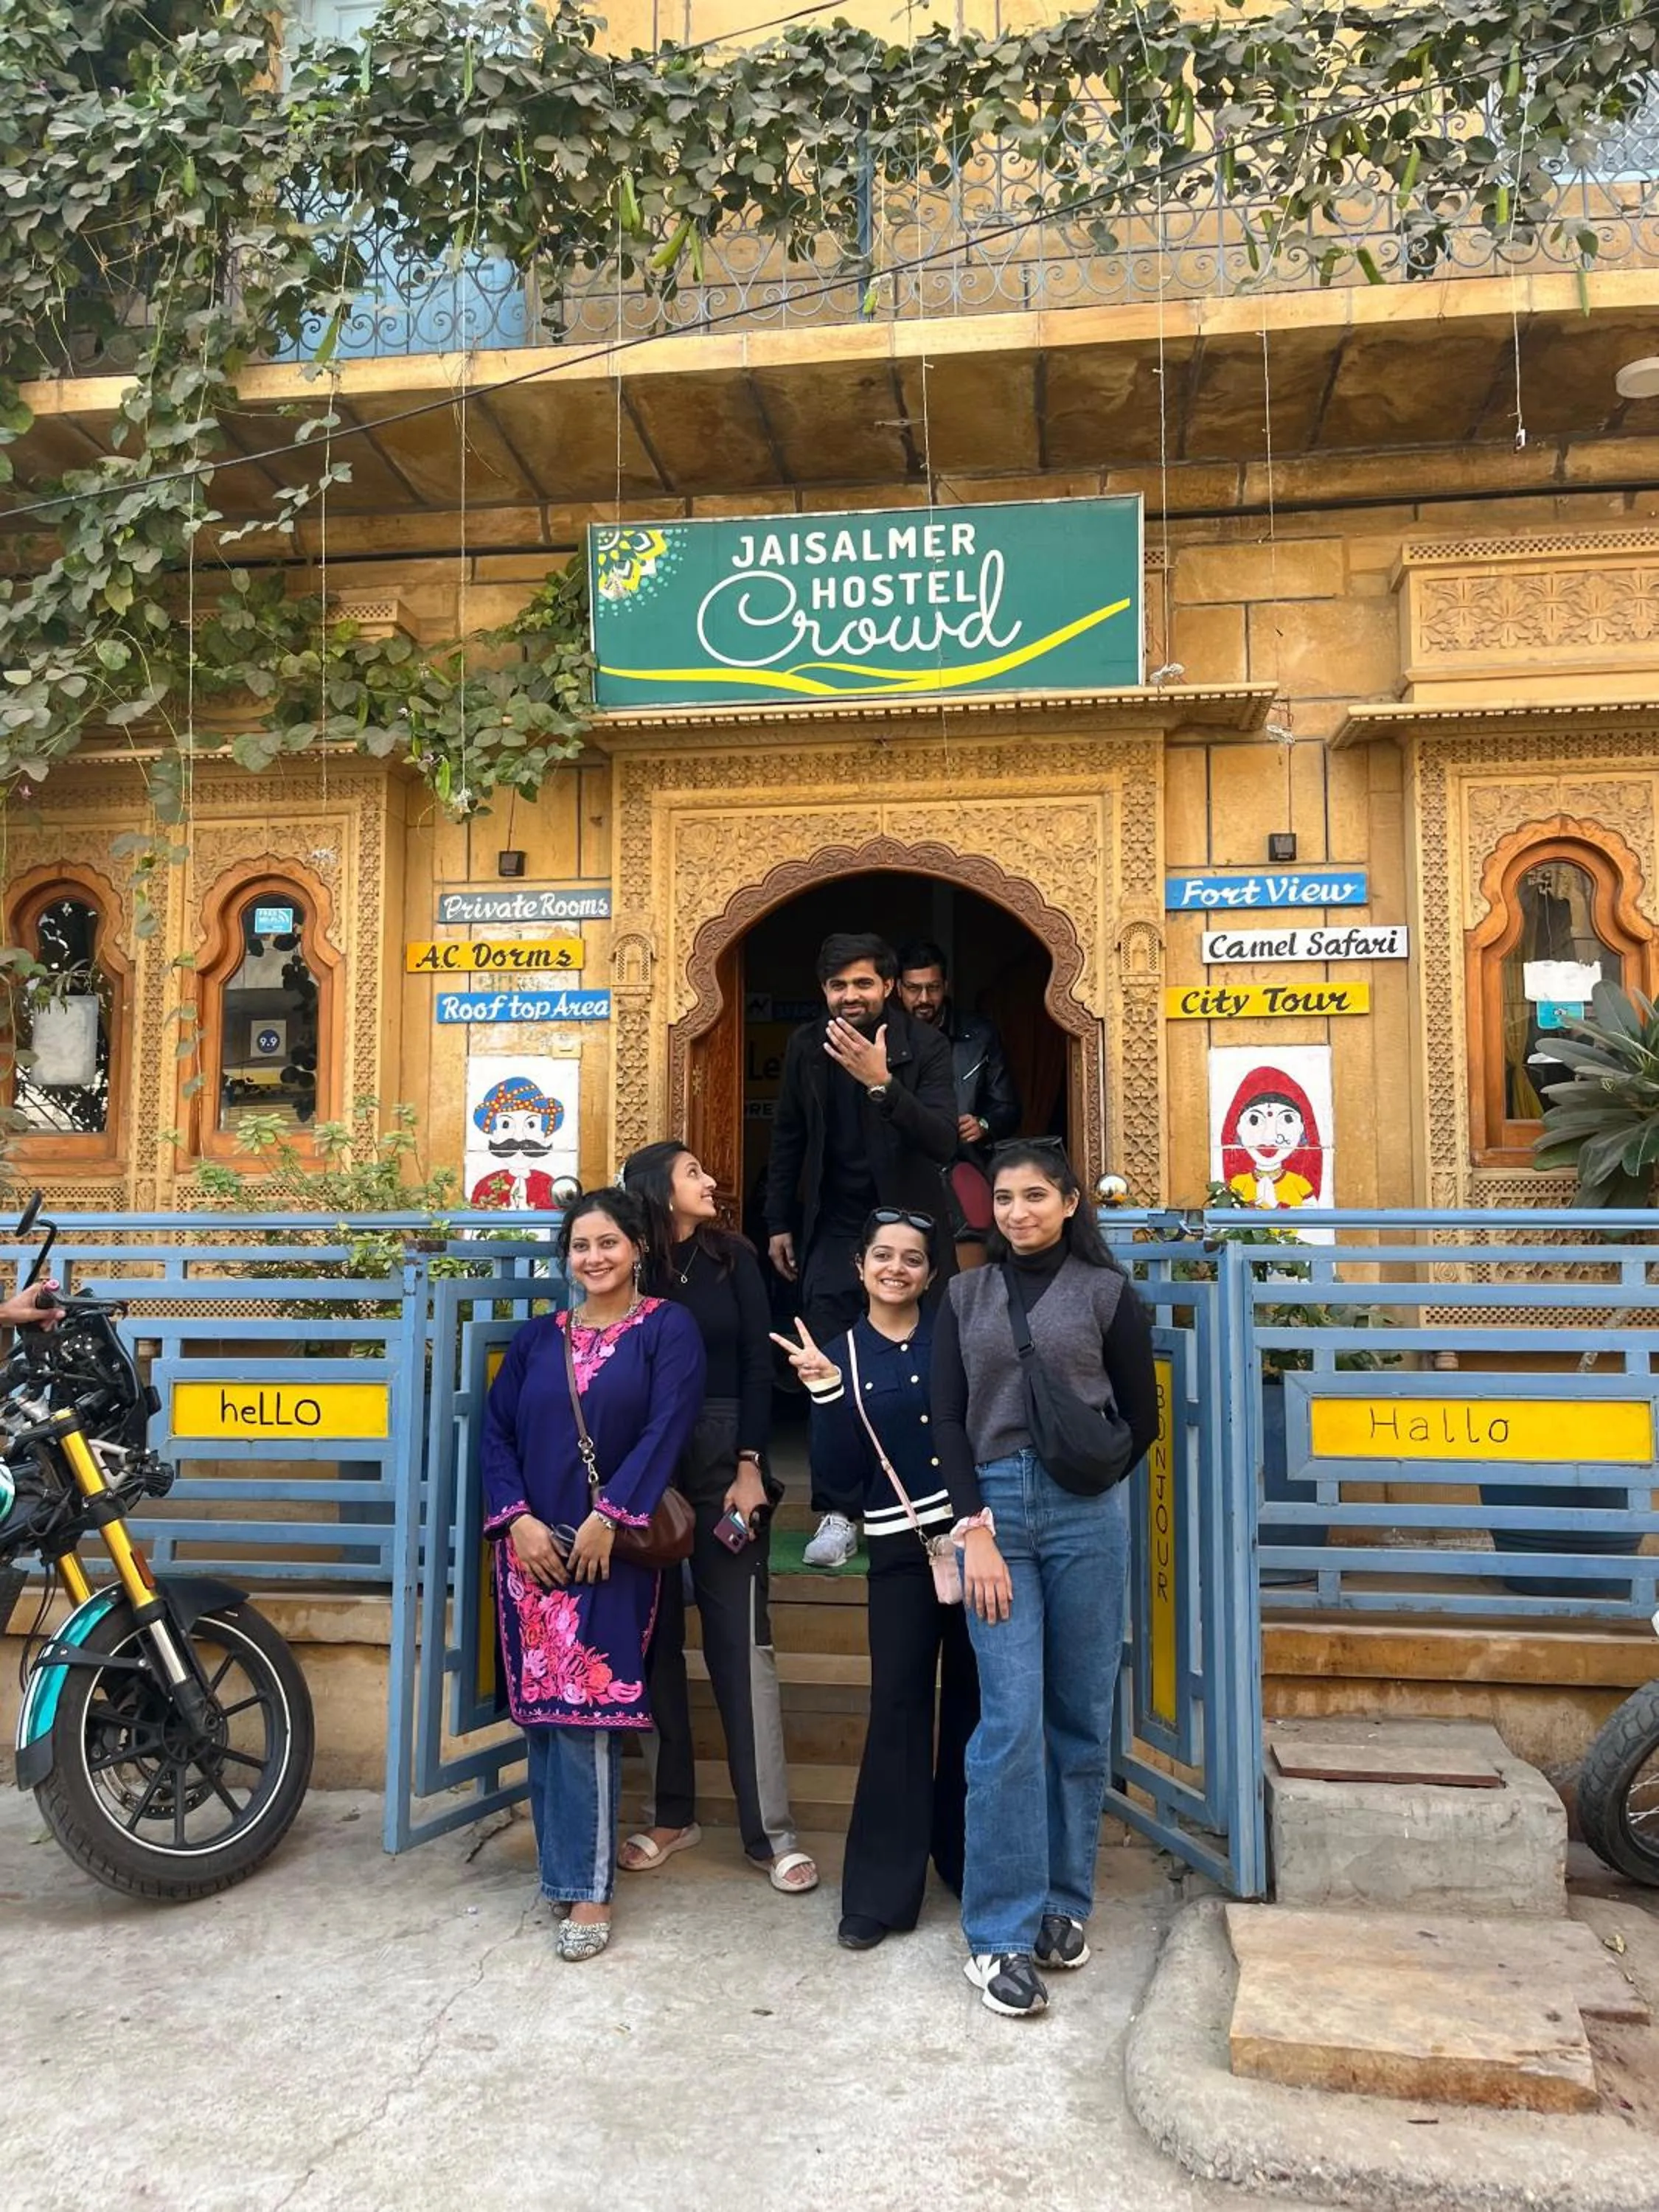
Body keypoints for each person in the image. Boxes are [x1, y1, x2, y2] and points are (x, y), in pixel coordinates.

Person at [933, 1140, 1159, 2019]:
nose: (1019, 1211)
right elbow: (948, 1417)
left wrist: (1090, 1479)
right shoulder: (966, 1294)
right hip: (993, 1517)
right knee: (1010, 1721)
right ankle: (996, 1934)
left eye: (1036, 1195)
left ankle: (1065, 1904)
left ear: (1069, 1202)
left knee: (1077, 1715)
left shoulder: (1107, 1295)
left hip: (1085, 1517)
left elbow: (1141, 1418)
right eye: (1005, 1197)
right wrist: (971, 1527)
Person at [479, 1187, 706, 1962]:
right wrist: (516, 1520)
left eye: (608, 1243)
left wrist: (612, 1515)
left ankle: (591, 1890)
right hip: (534, 1553)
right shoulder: (537, 1340)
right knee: (545, 1721)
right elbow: (496, 1433)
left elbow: (667, 1426)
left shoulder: (666, 1331)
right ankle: (563, 1871)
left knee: (588, 1717)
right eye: (580, 1245)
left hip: (607, 1551)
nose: (594, 1258)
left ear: (638, 1247)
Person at [773, 1207, 978, 1952]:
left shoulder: (956, 1338)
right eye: (883, 1255)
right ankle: (881, 1891)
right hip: (900, 1554)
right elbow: (839, 1479)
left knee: (977, 1706)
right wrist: (825, 1395)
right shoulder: (841, 1355)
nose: (897, 1268)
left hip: (978, 1545)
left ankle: (965, 1861)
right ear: (860, 1268)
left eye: (913, 1258)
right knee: (896, 1709)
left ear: (931, 1272)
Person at [616, 1140, 818, 1896]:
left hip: (724, 1455)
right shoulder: (630, 1264)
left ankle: (771, 1834)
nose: (710, 1180)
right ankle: (672, 1813)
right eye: (693, 1172)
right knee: (654, 1641)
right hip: (646, 1459)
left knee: (742, 1644)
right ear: (659, 1192)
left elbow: (758, 1369)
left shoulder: (733, 1258)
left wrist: (749, 1465)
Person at [765, 931, 958, 1568]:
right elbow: (788, 1137)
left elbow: (941, 1142)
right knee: (825, 1372)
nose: (850, 997)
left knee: (925, 1369)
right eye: (838, 986)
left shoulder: (923, 1046)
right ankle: (838, 1513)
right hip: (833, 1230)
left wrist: (882, 1085)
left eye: (863, 984)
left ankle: (933, 1505)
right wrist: (779, 1221)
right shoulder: (805, 1045)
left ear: (888, 988)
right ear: (824, 991)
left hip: (911, 1233)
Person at [896, 939, 1021, 1271]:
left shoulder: (978, 1035)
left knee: (969, 1277)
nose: (924, 999)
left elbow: (1008, 1107)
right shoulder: (884, 1036)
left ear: (946, 985)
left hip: (965, 1170)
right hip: (901, 1171)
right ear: (895, 988)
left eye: (933, 988)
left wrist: (983, 1125)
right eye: (913, 989)